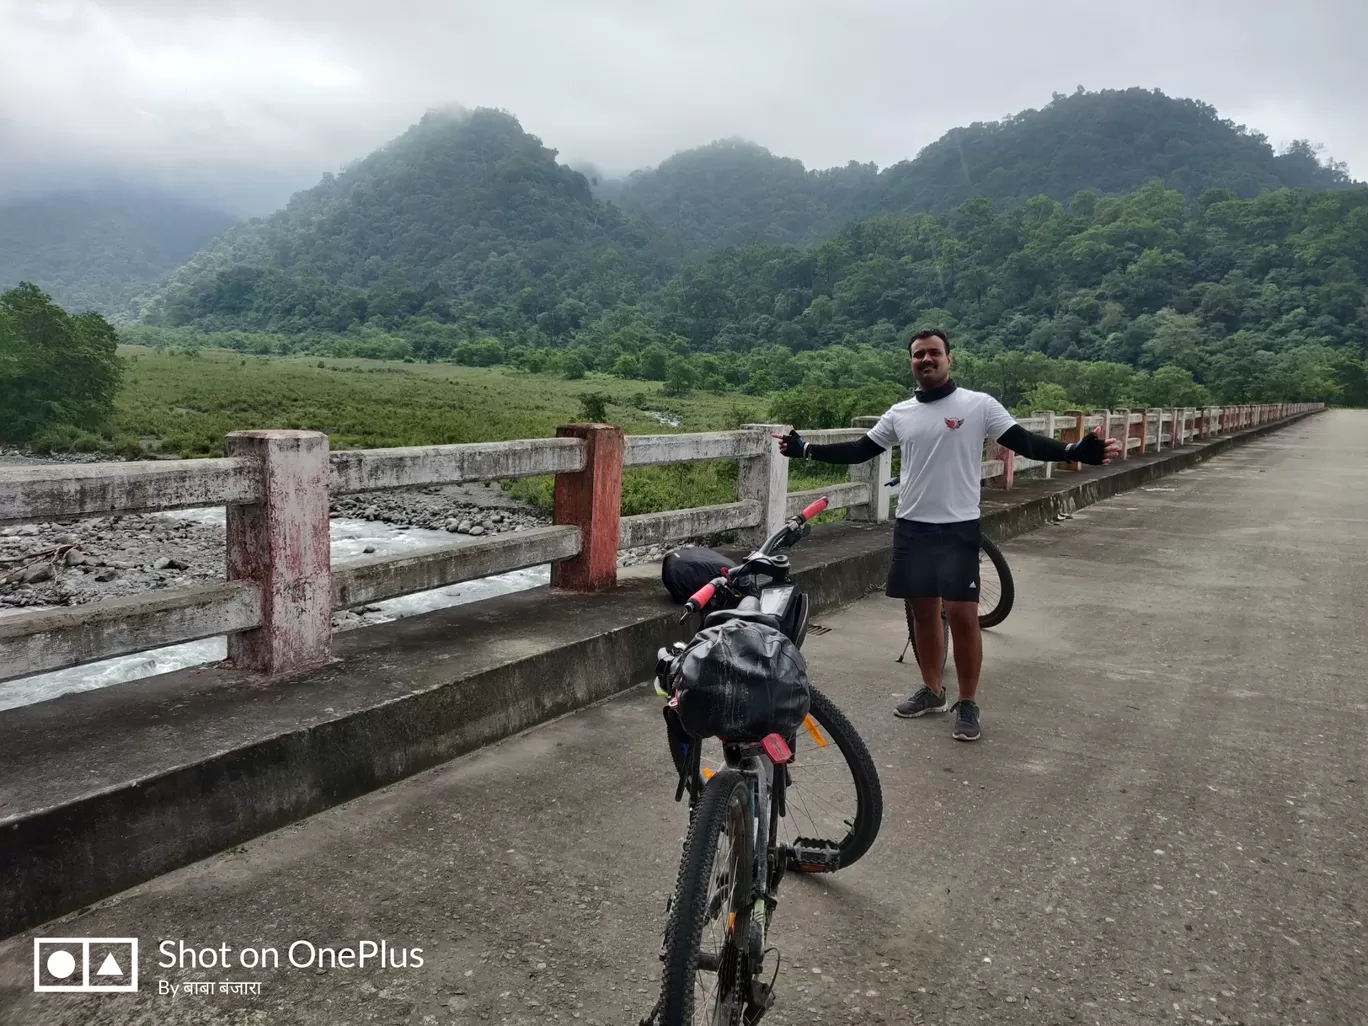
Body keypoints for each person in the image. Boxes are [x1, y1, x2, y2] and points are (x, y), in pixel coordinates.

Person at [775, 327, 1119, 742]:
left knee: (961, 615)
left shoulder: (977, 405)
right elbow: (860, 450)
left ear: (949, 359)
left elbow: (1023, 441)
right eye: (918, 354)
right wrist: (806, 449)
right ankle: (933, 689)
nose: (926, 359)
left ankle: (968, 701)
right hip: (913, 526)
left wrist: (1071, 452)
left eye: (934, 353)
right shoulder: (900, 413)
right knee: (924, 612)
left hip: (957, 526)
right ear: (911, 362)